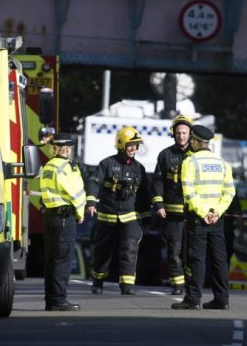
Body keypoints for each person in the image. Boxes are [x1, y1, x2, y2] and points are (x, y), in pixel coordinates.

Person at [172, 124, 235, 311]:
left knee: (197, 258)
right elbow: (229, 192)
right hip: (217, 219)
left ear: (197, 142)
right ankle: (222, 299)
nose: (190, 142)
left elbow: (189, 193)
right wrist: (216, 212)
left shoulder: (190, 163)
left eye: (192, 140)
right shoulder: (223, 163)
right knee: (219, 259)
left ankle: (193, 299)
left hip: (199, 218)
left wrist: (203, 213)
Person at [86, 126, 149, 295]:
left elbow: (144, 195)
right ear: (121, 144)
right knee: (102, 252)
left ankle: (127, 285)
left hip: (130, 217)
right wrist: (91, 201)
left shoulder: (139, 168)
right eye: (131, 145)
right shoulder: (107, 164)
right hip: (107, 216)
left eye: (136, 145)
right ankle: (98, 282)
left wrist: (146, 217)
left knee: (129, 249)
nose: (134, 148)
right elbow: (93, 182)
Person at [40, 133, 86, 312]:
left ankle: (51, 300)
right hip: (65, 217)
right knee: (62, 259)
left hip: (50, 215)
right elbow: (77, 192)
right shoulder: (69, 166)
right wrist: (80, 213)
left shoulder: (49, 165)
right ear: (67, 149)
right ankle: (59, 299)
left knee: (51, 260)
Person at [150, 114, 193, 295]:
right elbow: (158, 182)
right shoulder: (165, 155)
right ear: (173, 134)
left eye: (184, 133)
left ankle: (192, 284)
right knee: (174, 251)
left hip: (193, 214)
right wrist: (159, 205)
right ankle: (177, 285)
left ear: (190, 134)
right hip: (172, 216)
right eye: (178, 133)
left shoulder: (197, 154)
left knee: (192, 253)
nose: (181, 136)